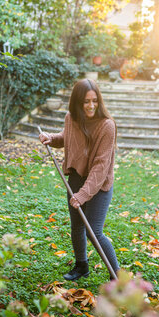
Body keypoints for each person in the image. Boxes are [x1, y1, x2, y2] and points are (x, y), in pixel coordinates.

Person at [39, 78, 119, 281]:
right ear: (77, 103)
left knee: (94, 231)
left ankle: (117, 275)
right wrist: (52, 138)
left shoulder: (107, 126)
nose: (91, 106)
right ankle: (81, 266)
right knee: (77, 226)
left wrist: (83, 194)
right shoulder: (71, 118)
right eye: (86, 101)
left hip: (98, 185)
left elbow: (101, 167)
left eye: (95, 101)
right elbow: (68, 137)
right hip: (75, 178)